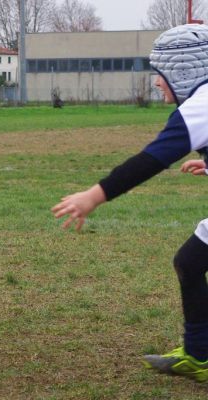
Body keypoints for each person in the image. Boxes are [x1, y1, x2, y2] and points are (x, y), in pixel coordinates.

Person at [51, 23, 208, 383]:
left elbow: (151, 159)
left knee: (191, 261)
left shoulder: (200, 105)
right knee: (190, 261)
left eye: (160, 74)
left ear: (184, 69)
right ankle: (199, 354)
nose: (156, 83)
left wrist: (93, 196)